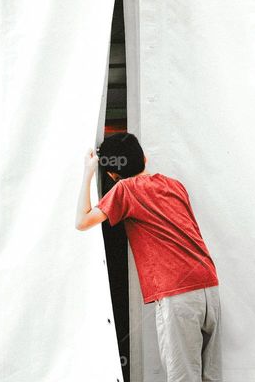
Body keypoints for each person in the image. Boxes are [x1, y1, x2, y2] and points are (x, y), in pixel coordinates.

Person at [75, 132, 222, 382]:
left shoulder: (124, 189)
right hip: (208, 284)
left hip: (177, 291)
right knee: (211, 377)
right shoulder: (174, 185)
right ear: (144, 157)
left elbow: (82, 221)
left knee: (183, 377)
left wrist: (88, 172)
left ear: (112, 174)